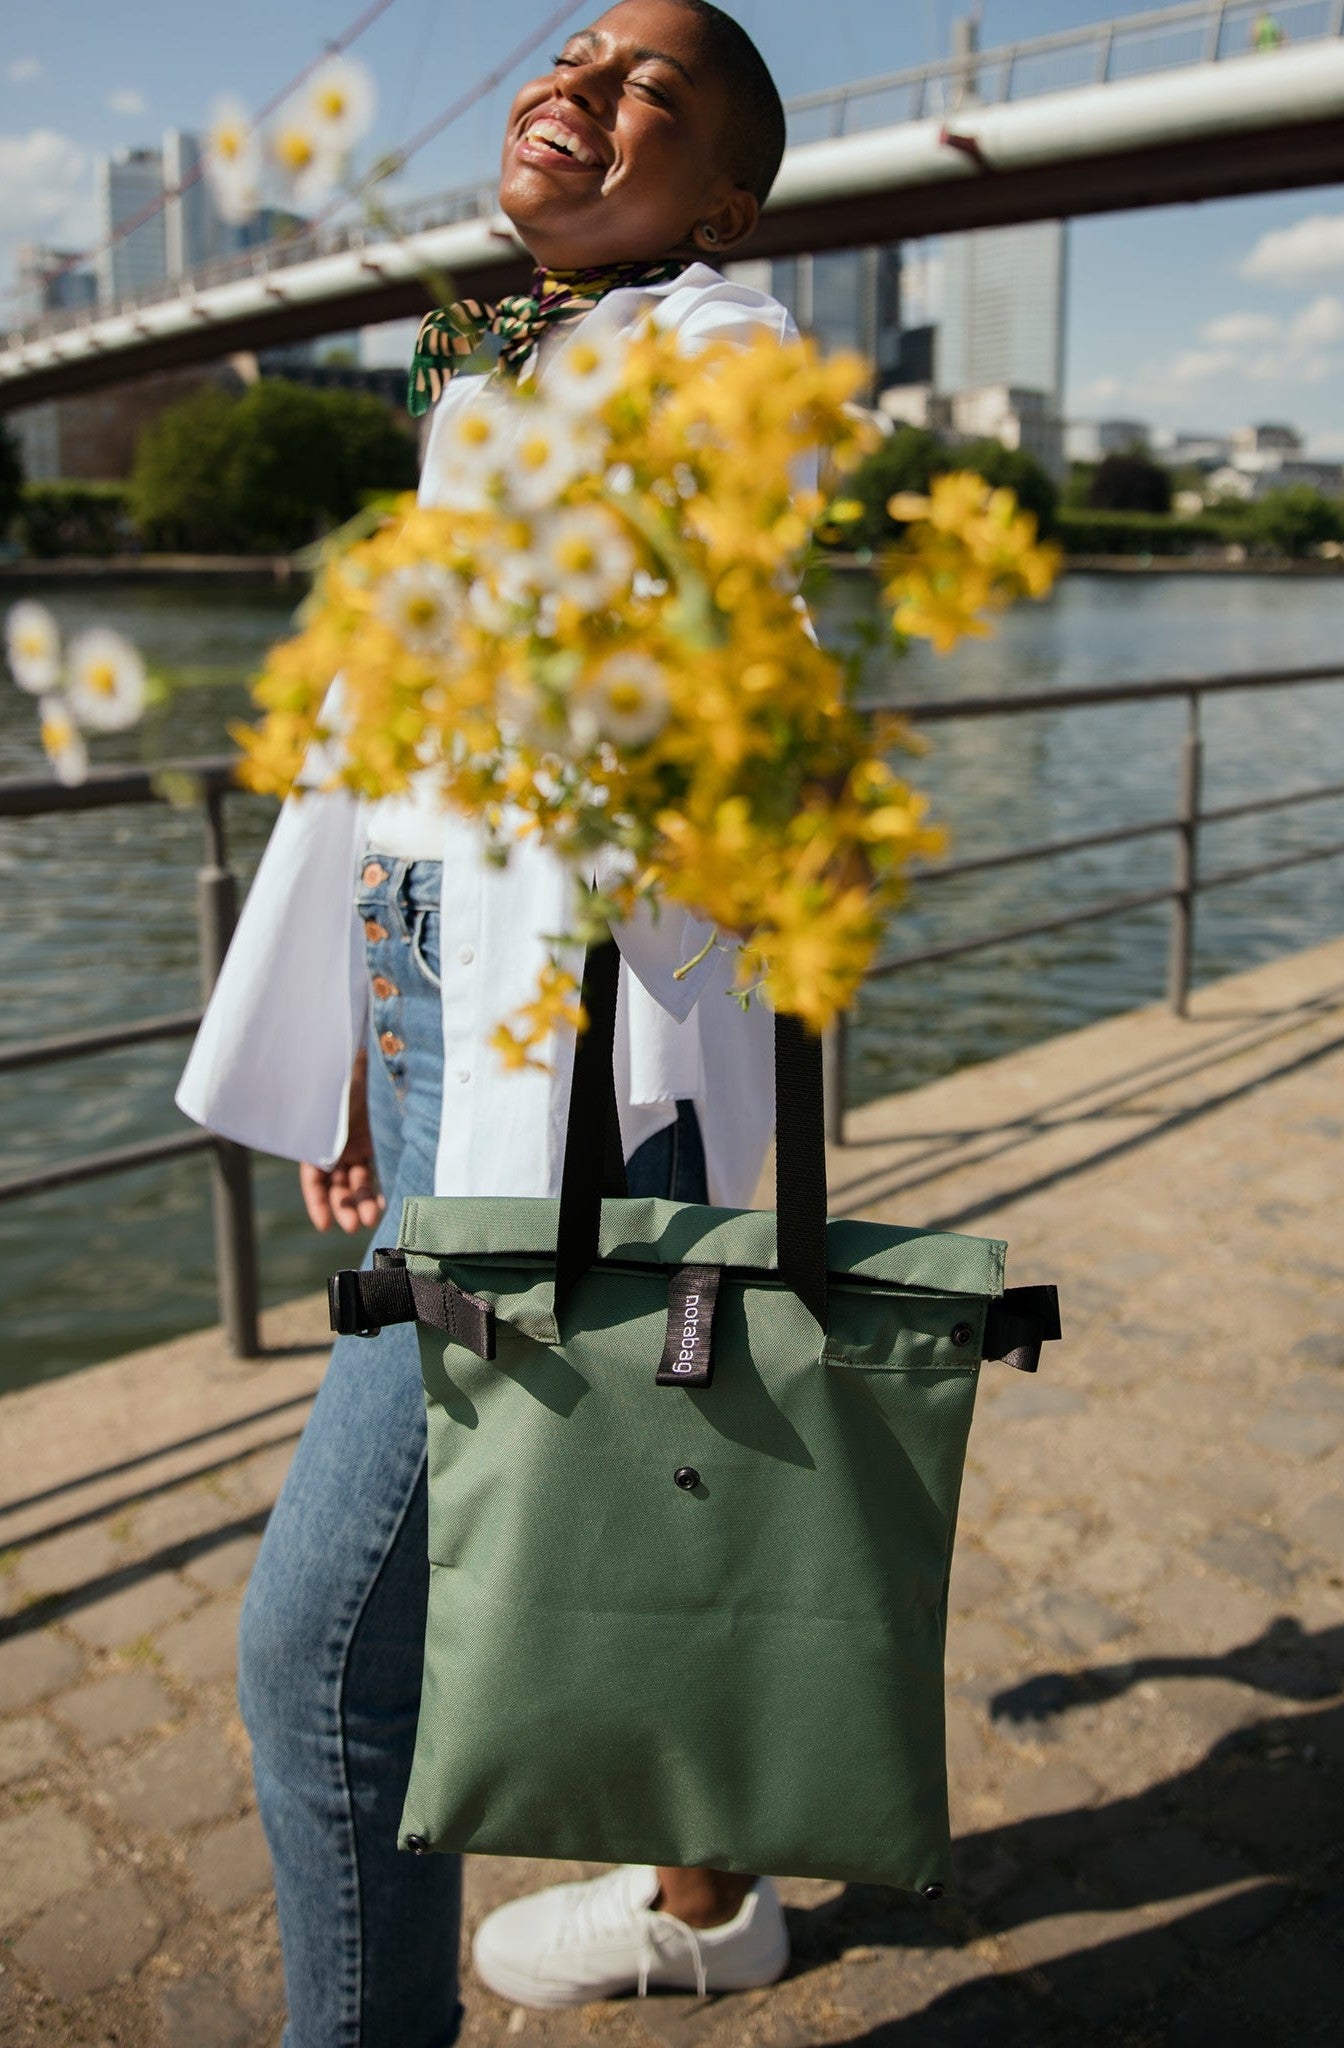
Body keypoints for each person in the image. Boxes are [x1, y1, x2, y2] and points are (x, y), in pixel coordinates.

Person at [176, 5, 802, 2041]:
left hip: (565, 1095)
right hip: (462, 1040)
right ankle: (714, 1890)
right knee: (589, 1531)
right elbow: (388, 744)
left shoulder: (709, 347)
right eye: (566, 48)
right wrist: (369, 1038)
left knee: (327, 1652)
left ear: (715, 198)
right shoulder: (504, 366)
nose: (576, 80)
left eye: (647, 85)